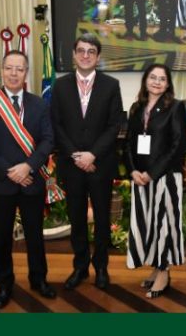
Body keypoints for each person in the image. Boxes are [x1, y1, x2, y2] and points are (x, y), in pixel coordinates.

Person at [0, 50, 57, 310]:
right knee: (1, 238)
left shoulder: (39, 104)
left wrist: (28, 167)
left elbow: (48, 140)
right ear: (2, 71)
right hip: (1, 183)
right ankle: (4, 282)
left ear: (26, 73)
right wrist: (12, 171)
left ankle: (38, 279)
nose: (13, 73)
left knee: (35, 235)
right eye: (9, 68)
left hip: (31, 181)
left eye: (19, 69)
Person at [51, 33, 123, 291]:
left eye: (91, 51)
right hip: (72, 166)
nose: (85, 55)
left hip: (100, 164)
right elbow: (56, 125)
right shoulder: (60, 86)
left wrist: (92, 155)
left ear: (98, 56)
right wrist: (76, 155)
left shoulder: (111, 85)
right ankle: (80, 266)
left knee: (102, 218)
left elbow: (115, 125)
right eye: (80, 50)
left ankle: (101, 267)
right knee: (77, 218)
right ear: (73, 54)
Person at [125, 64, 186, 298]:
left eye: (162, 79)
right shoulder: (136, 108)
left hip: (165, 177)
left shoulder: (176, 107)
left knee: (164, 225)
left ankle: (164, 272)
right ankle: (155, 267)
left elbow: (177, 146)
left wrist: (152, 173)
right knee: (148, 225)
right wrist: (133, 171)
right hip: (140, 178)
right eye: (153, 77)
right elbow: (129, 143)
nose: (157, 82)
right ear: (145, 80)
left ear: (168, 84)